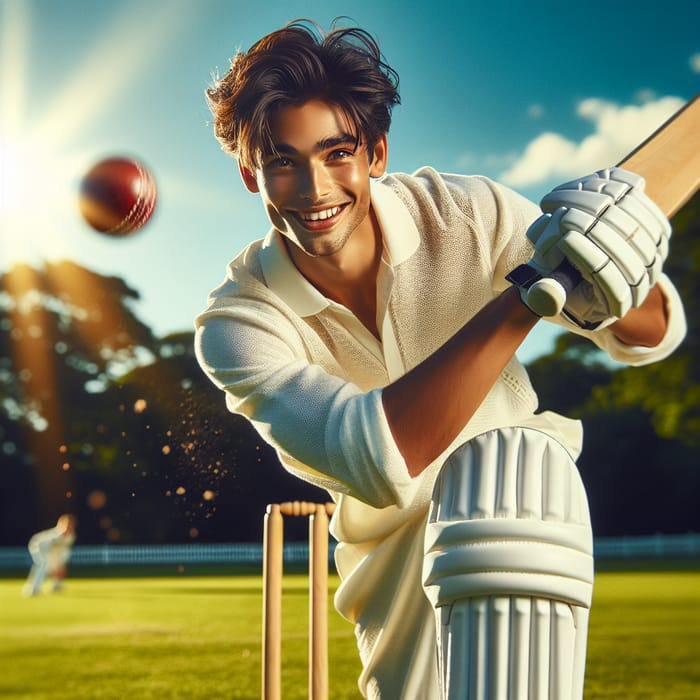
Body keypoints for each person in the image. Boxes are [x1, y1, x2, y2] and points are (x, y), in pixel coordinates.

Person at [194, 20, 686, 699]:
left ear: (377, 152)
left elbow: (645, 335)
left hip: (522, 502)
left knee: (504, 470)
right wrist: (526, 300)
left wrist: (623, 272)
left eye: (337, 153)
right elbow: (378, 454)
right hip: (389, 554)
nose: (314, 188)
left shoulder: (466, 212)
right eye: (284, 161)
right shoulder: (239, 323)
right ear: (251, 174)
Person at [22, 514, 77, 597]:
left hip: (53, 551)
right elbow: (43, 547)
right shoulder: (55, 535)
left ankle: (57, 586)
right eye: (67, 524)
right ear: (61, 524)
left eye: (71, 524)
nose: (69, 527)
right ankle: (33, 589)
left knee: (58, 566)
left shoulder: (71, 536)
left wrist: (60, 565)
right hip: (38, 546)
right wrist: (52, 569)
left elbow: (63, 549)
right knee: (42, 565)